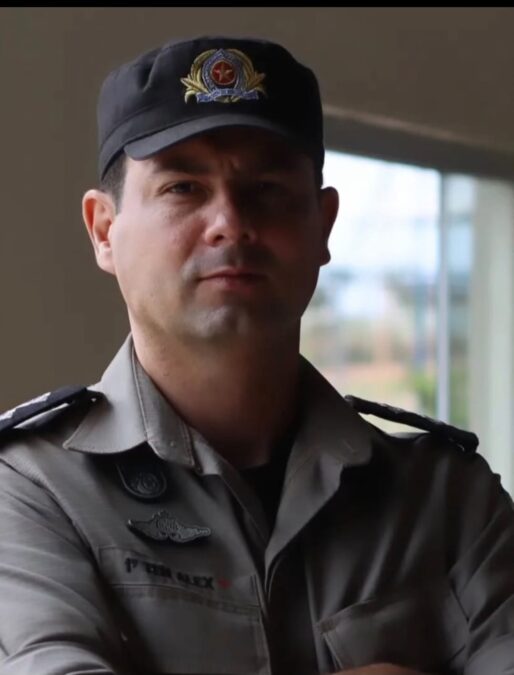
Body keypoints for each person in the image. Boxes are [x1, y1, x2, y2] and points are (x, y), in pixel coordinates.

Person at [0, 35, 513, 675]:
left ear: (323, 225)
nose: (230, 222)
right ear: (105, 231)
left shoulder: (447, 499)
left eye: (267, 188)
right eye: (183, 187)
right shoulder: (31, 489)